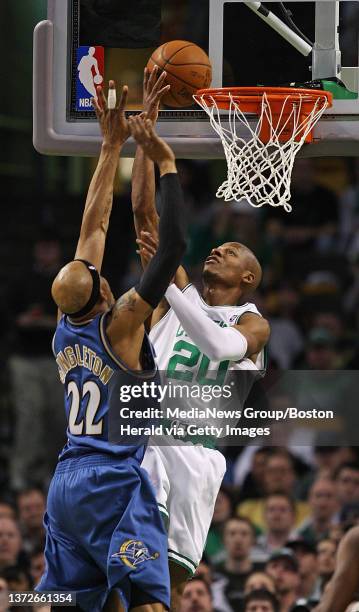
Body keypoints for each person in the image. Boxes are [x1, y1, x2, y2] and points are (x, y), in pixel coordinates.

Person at [36, 80, 187, 612]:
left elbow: (92, 228)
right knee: (148, 597)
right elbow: (170, 250)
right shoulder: (120, 325)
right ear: (101, 288)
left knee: (71, 602)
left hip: (64, 484)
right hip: (109, 483)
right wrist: (163, 158)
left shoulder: (64, 324)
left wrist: (110, 144)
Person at [131, 66, 270, 607]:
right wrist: (146, 135)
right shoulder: (180, 294)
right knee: (123, 571)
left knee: (168, 586)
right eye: (217, 247)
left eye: (232, 252)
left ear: (249, 279)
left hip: (199, 455)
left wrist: (171, 288)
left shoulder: (252, 322)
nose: (217, 250)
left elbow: (218, 348)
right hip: (149, 439)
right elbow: (145, 214)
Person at [213, 517, 264, 612]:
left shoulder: (263, 574)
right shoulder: (214, 576)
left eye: (244, 534)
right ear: (223, 540)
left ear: (253, 541)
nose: (238, 540)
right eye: (232, 534)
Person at [313, 525, 359, 612]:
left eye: (332, 553)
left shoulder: (355, 538)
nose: (326, 558)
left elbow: (331, 607)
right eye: (322, 552)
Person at [252, 494, 297, 563]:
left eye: (283, 510)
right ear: (263, 516)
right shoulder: (253, 546)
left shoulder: (302, 548)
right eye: (271, 509)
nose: (277, 515)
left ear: (293, 516)